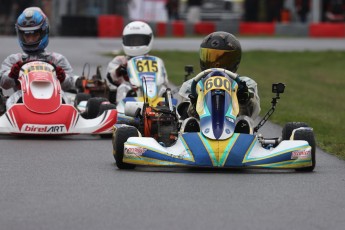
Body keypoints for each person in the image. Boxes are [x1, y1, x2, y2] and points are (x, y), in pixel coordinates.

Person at [179, 31, 261, 133]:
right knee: (190, 121)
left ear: (235, 61)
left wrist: (244, 98)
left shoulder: (246, 83)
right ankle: (190, 135)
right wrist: (195, 101)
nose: (216, 65)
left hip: (233, 128)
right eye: (210, 58)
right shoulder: (191, 84)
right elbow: (184, 114)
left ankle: (243, 136)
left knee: (245, 121)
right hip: (201, 129)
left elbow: (252, 113)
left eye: (223, 60)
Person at [0, 7, 75, 110]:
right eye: (27, 35)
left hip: (54, 99)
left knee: (70, 100)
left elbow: (70, 84)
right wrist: (12, 75)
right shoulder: (14, 60)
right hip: (21, 100)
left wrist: (62, 77)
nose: (30, 40)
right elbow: (4, 83)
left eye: (34, 35)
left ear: (44, 32)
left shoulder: (57, 59)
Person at [106, 21, 169, 104]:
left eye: (139, 41)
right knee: (124, 87)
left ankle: (166, 109)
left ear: (149, 40)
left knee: (164, 90)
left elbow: (164, 81)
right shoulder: (119, 60)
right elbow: (110, 79)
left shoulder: (155, 62)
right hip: (129, 95)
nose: (135, 44)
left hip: (152, 95)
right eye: (132, 41)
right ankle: (121, 110)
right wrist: (119, 71)